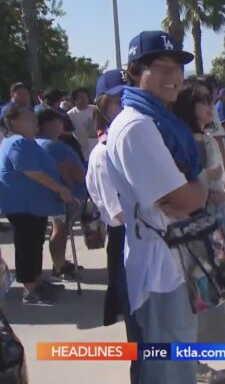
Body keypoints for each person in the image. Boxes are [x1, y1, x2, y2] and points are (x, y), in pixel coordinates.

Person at [106, 30, 205, 384]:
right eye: (161, 66)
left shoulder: (159, 122)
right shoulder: (137, 127)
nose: (173, 76)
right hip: (159, 269)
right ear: (135, 71)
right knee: (168, 367)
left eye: (177, 66)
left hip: (170, 261)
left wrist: (190, 189)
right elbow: (185, 201)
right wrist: (200, 188)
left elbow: (182, 199)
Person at [85, 69, 141, 383]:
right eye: (117, 98)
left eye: (128, 94)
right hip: (126, 239)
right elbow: (118, 213)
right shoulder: (104, 152)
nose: (124, 103)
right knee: (138, 324)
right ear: (102, 105)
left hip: (139, 233)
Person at [172, 82, 225, 384]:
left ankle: (196, 360)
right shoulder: (189, 142)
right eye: (202, 102)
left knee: (204, 296)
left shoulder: (204, 138)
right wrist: (210, 182)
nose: (210, 107)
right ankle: (192, 363)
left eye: (211, 101)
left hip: (206, 224)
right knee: (197, 297)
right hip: (194, 227)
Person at [0, 103, 73, 305]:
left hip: (31, 205)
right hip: (24, 205)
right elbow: (33, 172)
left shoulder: (21, 141)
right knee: (27, 245)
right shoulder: (18, 143)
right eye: (29, 118)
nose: (34, 122)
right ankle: (30, 288)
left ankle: (37, 282)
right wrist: (61, 189)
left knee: (33, 244)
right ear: (14, 121)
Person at [35, 108, 87, 282]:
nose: (62, 124)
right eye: (59, 121)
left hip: (53, 195)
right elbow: (75, 171)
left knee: (58, 229)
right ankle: (60, 266)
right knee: (61, 230)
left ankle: (59, 262)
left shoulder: (38, 143)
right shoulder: (54, 146)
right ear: (48, 124)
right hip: (64, 195)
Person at [68, 87, 99, 159]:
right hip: (82, 151)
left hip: (97, 146)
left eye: (86, 97)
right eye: (81, 97)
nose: (84, 99)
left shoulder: (95, 109)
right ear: (75, 100)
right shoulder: (70, 115)